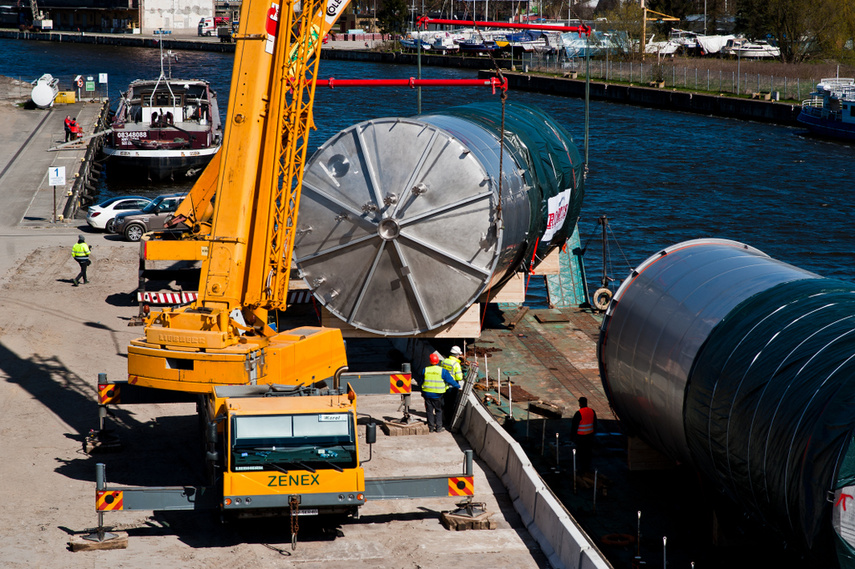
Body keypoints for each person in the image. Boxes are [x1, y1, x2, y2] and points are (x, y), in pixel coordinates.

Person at [418, 352, 460, 433]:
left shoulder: (425, 369)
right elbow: (450, 380)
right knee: (438, 410)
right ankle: (439, 427)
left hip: (427, 394)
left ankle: (430, 428)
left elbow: (421, 381)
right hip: (437, 395)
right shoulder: (442, 371)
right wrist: (458, 386)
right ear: (438, 362)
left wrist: (422, 390)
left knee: (429, 411)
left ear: (430, 361)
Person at [570, 397, 597, 471]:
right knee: (588, 453)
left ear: (580, 404)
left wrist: (572, 437)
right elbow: (595, 424)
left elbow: (574, 426)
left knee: (581, 453)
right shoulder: (592, 411)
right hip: (590, 436)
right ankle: (588, 467)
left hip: (581, 437)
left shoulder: (579, 413)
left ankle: (582, 469)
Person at [441, 345, 465, 427]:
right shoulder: (456, 364)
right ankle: (449, 421)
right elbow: (459, 377)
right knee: (451, 405)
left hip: (443, 386)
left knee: (444, 403)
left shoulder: (444, 361)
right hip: (452, 387)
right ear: (457, 355)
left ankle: (443, 418)